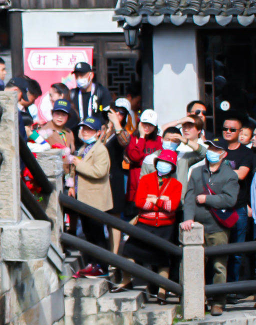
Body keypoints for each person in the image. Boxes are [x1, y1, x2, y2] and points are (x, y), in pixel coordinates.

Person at [181, 139, 240, 314]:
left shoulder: (230, 175)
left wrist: (207, 199)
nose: (212, 151)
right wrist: (188, 218)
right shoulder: (197, 171)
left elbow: (230, 199)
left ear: (224, 154)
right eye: (211, 148)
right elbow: (189, 196)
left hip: (218, 227)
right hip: (197, 225)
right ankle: (195, 299)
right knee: (193, 264)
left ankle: (218, 302)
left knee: (219, 265)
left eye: (216, 149)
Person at [119, 148, 182, 300]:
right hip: (145, 223)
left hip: (165, 226)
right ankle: (126, 280)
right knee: (129, 250)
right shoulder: (146, 179)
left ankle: (162, 290)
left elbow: (172, 206)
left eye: (167, 163)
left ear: (172, 167)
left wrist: (154, 200)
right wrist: (162, 202)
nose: (163, 165)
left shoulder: (176, 184)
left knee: (163, 259)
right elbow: (140, 202)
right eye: (161, 161)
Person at [68, 116, 112, 251]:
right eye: (84, 129)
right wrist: (71, 186)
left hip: (95, 200)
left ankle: (102, 266)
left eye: (90, 130)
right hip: (83, 198)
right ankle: (93, 264)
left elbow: (100, 172)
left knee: (97, 235)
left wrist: (80, 165)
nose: (85, 132)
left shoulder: (100, 150)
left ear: (98, 132)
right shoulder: (84, 147)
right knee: (89, 234)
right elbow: (74, 169)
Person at [221, 117, 253, 281]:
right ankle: (215, 291)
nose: (228, 131)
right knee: (217, 251)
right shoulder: (216, 148)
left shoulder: (246, 153)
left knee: (236, 252)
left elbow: (241, 174)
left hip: (238, 206)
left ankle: (232, 288)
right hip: (216, 207)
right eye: (225, 128)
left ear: (240, 132)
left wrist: (218, 172)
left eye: (232, 129)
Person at [71, 61, 111, 127]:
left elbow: (107, 116)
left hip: (96, 133)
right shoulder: (73, 94)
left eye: (82, 75)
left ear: (91, 75)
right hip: (78, 134)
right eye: (77, 76)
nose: (79, 78)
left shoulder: (101, 92)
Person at [175, 115, 206, 184]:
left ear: (199, 130)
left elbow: (203, 153)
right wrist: (178, 122)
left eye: (190, 127)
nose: (186, 130)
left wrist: (186, 141)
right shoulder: (178, 146)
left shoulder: (204, 146)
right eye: (184, 126)